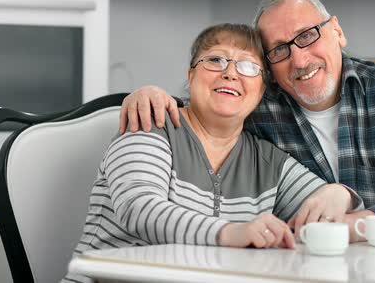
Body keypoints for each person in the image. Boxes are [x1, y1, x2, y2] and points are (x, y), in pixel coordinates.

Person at [118, 0, 375, 241]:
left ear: (336, 31)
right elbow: (211, 107)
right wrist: (153, 96)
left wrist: (347, 211)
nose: (299, 60)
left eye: (307, 36)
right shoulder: (261, 103)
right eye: (279, 50)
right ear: (269, 70)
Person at [63, 23, 359, 282]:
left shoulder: (268, 161)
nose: (230, 73)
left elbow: (338, 215)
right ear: (191, 76)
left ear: (261, 91)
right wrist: (231, 233)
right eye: (215, 60)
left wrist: (339, 194)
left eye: (248, 66)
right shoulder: (151, 123)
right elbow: (141, 210)